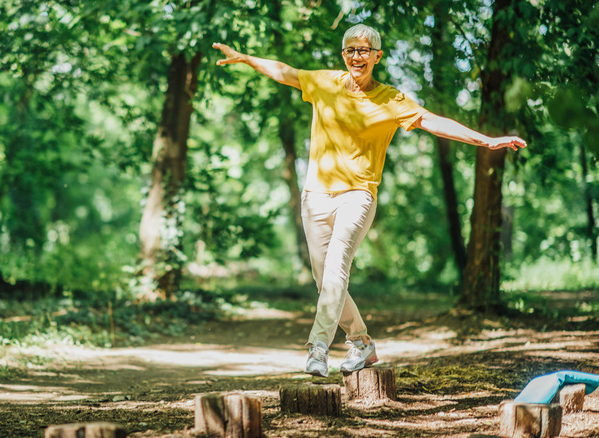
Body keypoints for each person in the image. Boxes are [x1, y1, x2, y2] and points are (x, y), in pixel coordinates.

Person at [213, 24, 527, 377]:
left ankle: (318, 348)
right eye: (350, 50)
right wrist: (245, 59)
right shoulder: (324, 83)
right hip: (314, 196)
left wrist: (486, 141)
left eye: (363, 50)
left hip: (357, 195)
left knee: (336, 269)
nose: (356, 56)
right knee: (325, 281)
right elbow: (284, 71)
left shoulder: (391, 100)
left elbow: (432, 121)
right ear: (343, 55)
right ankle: (362, 344)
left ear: (377, 55)